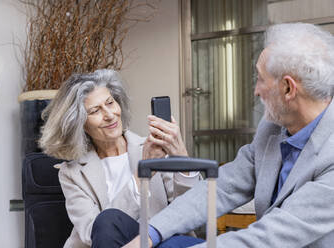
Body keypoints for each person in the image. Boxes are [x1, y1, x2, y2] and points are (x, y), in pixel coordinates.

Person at [122, 22, 334, 248]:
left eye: (261, 79)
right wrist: (151, 233)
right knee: (140, 235)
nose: (256, 90)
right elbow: (222, 188)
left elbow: (270, 237)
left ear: (288, 89)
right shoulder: (271, 129)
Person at [39, 69, 201, 248]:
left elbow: (191, 210)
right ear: (80, 124)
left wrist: (182, 158)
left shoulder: (153, 148)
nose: (109, 115)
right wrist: (143, 174)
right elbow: (92, 232)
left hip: (159, 242)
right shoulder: (72, 173)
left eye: (110, 102)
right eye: (95, 111)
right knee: (107, 220)